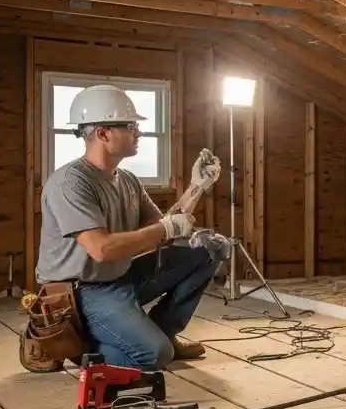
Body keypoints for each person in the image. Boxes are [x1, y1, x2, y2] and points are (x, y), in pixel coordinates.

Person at [24, 84, 221, 373]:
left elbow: (161, 225)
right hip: (81, 293)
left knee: (206, 252)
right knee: (153, 356)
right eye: (130, 126)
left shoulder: (127, 179)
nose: (138, 132)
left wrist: (197, 186)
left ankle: (163, 331)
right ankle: (67, 344)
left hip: (120, 276)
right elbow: (101, 249)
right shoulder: (70, 183)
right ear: (103, 133)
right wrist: (166, 229)